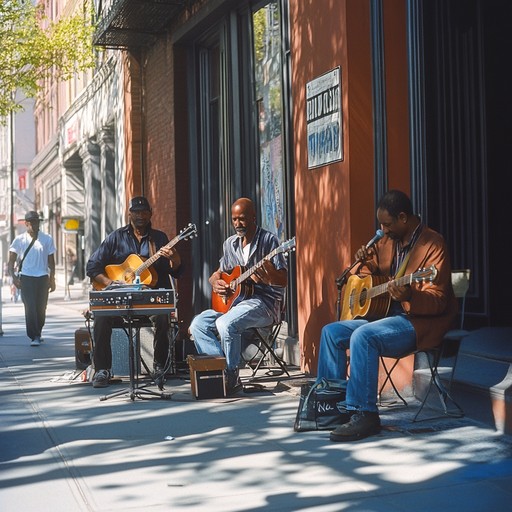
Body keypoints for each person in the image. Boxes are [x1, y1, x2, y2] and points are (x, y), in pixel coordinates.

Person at [316, 189, 457, 442]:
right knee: (331, 332)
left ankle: (364, 413)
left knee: (363, 336)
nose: (383, 229)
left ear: (403, 217)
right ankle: (331, 406)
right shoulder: (388, 241)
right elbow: (370, 274)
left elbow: (439, 301)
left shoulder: (433, 244)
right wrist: (362, 263)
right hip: (382, 318)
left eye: (387, 224)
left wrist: (409, 296)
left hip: (416, 322)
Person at [189, 197, 288, 394]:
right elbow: (217, 274)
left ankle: (231, 376)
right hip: (234, 305)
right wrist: (217, 283)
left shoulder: (270, 241)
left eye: (242, 219)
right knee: (197, 324)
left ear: (253, 217)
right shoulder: (230, 244)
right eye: (234, 219)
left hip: (264, 304)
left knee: (225, 324)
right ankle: (220, 370)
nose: (237, 224)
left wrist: (267, 277)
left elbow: (283, 279)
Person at [86, 196, 183, 388]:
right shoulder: (116, 237)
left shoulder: (160, 239)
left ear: (150, 214)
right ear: (129, 214)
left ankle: (159, 367)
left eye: (144, 212)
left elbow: (176, 271)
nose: (140, 216)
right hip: (120, 300)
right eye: (136, 212)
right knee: (101, 317)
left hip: (149, 300)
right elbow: (92, 266)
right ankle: (103, 370)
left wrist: (175, 257)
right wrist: (110, 284)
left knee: (163, 317)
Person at [8, 210, 56, 346]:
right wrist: (13, 277)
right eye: (32, 222)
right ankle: (33, 335)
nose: (35, 224)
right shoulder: (19, 240)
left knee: (41, 308)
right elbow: (11, 261)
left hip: (42, 278)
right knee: (30, 308)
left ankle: (38, 332)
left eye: (37, 221)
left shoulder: (47, 239)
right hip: (26, 278)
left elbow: (51, 261)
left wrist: (52, 279)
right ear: (26, 223)